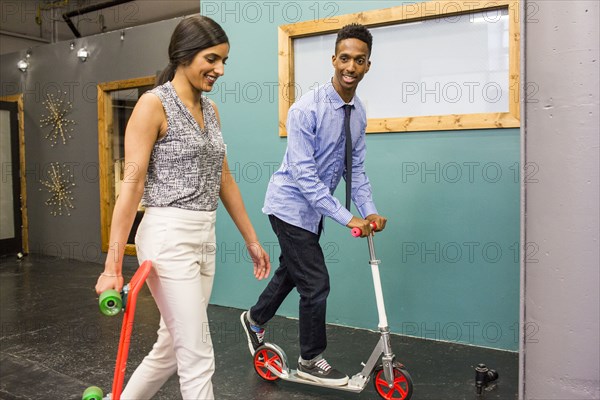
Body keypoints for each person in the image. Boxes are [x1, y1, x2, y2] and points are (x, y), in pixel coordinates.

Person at [95, 15, 271, 400]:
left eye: (224, 61)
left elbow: (224, 179)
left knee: (170, 348)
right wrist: (112, 266)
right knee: (196, 355)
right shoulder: (152, 105)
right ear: (184, 55)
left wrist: (251, 238)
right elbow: (131, 188)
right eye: (211, 59)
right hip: (167, 237)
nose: (219, 70)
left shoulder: (211, 111)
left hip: (203, 237)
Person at [241, 23, 386, 386]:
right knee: (316, 283)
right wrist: (346, 216)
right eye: (344, 58)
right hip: (289, 205)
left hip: (314, 211)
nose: (350, 67)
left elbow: (358, 170)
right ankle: (310, 358)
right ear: (333, 59)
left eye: (359, 60)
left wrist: (368, 210)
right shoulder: (306, 109)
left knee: (293, 271)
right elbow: (306, 179)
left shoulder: (359, 113)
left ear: (368, 65)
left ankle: (255, 318)